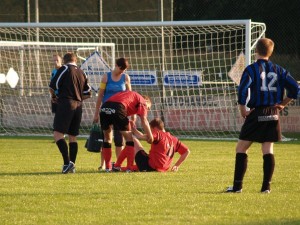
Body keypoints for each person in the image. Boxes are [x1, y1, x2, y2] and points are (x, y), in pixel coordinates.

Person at [226, 38, 299, 193]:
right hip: (273, 113)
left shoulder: (251, 69)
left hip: (257, 112)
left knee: (241, 148)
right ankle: (266, 188)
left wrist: (242, 109)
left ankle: (237, 186)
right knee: (268, 149)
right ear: (271, 52)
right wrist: (283, 103)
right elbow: (295, 88)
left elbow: (242, 90)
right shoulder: (279, 70)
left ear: (255, 51)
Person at [49, 52, 91, 174]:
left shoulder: (65, 68)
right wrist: (77, 98)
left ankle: (67, 163)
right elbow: (88, 93)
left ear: (65, 60)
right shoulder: (82, 72)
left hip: (66, 103)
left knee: (57, 134)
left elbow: (52, 86)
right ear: (76, 60)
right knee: (72, 136)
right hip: (78, 106)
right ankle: (72, 165)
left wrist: (54, 97)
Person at [93, 57, 133, 171]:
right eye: (121, 69)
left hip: (120, 112)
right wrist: (96, 113)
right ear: (116, 65)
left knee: (120, 139)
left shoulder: (126, 77)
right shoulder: (106, 77)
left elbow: (130, 96)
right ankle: (107, 165)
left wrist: (131, 114)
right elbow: (100, 95)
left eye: (124, 70)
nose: (122, 71)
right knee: (107, 137)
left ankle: (118, 165)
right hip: (106, 111)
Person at [100, 90, 153, 172]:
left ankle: (108, 167)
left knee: (107, 139)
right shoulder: (142, 101)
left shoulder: (131, 97)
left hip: (104, 107)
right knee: (129, 139)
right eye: (148, 108)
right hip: (118, 108)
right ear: (146, 101)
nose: (147, 110)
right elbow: (144, 120)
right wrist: (150, 136)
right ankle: (129, 167)